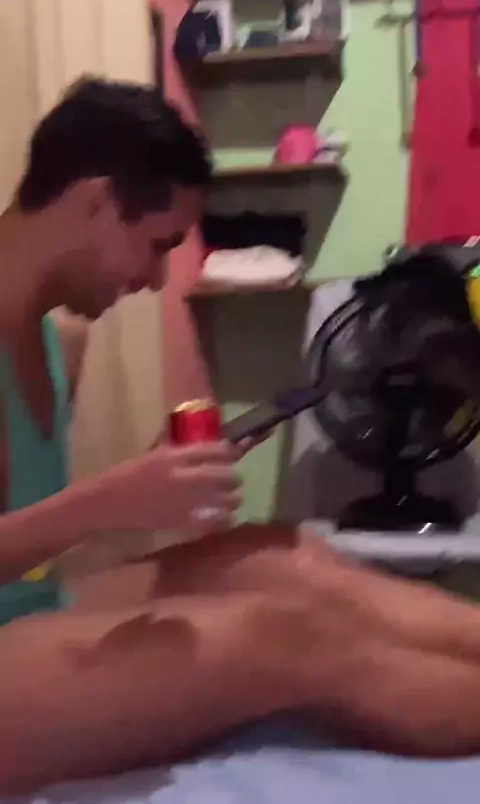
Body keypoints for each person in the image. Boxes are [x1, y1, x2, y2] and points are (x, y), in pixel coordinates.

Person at [2, 76, 480, 796]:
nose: (155, 279)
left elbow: (35, 551)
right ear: (96, 202)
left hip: (30, 614)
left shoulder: (54, 341)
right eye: (157, 245)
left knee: (283, 558)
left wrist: (150, 484)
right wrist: (100, 504)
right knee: (280, 638)